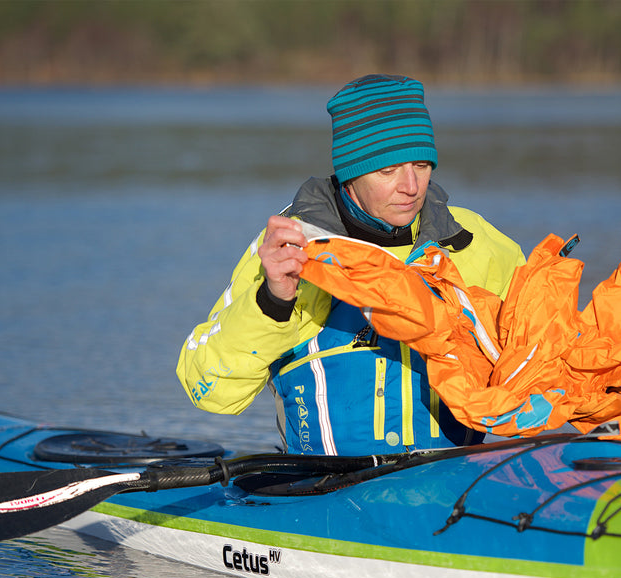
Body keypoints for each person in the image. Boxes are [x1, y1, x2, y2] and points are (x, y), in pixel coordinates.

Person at [177, 74, 525, 456]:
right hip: (326, 495)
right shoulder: (290, 245)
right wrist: (273, 301)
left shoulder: (476, 244)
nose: (411, 186)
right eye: (388, 171)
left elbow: (540, 366)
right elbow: (209, 390)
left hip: (455, 488)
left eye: (422, 165)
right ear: (350, 173)